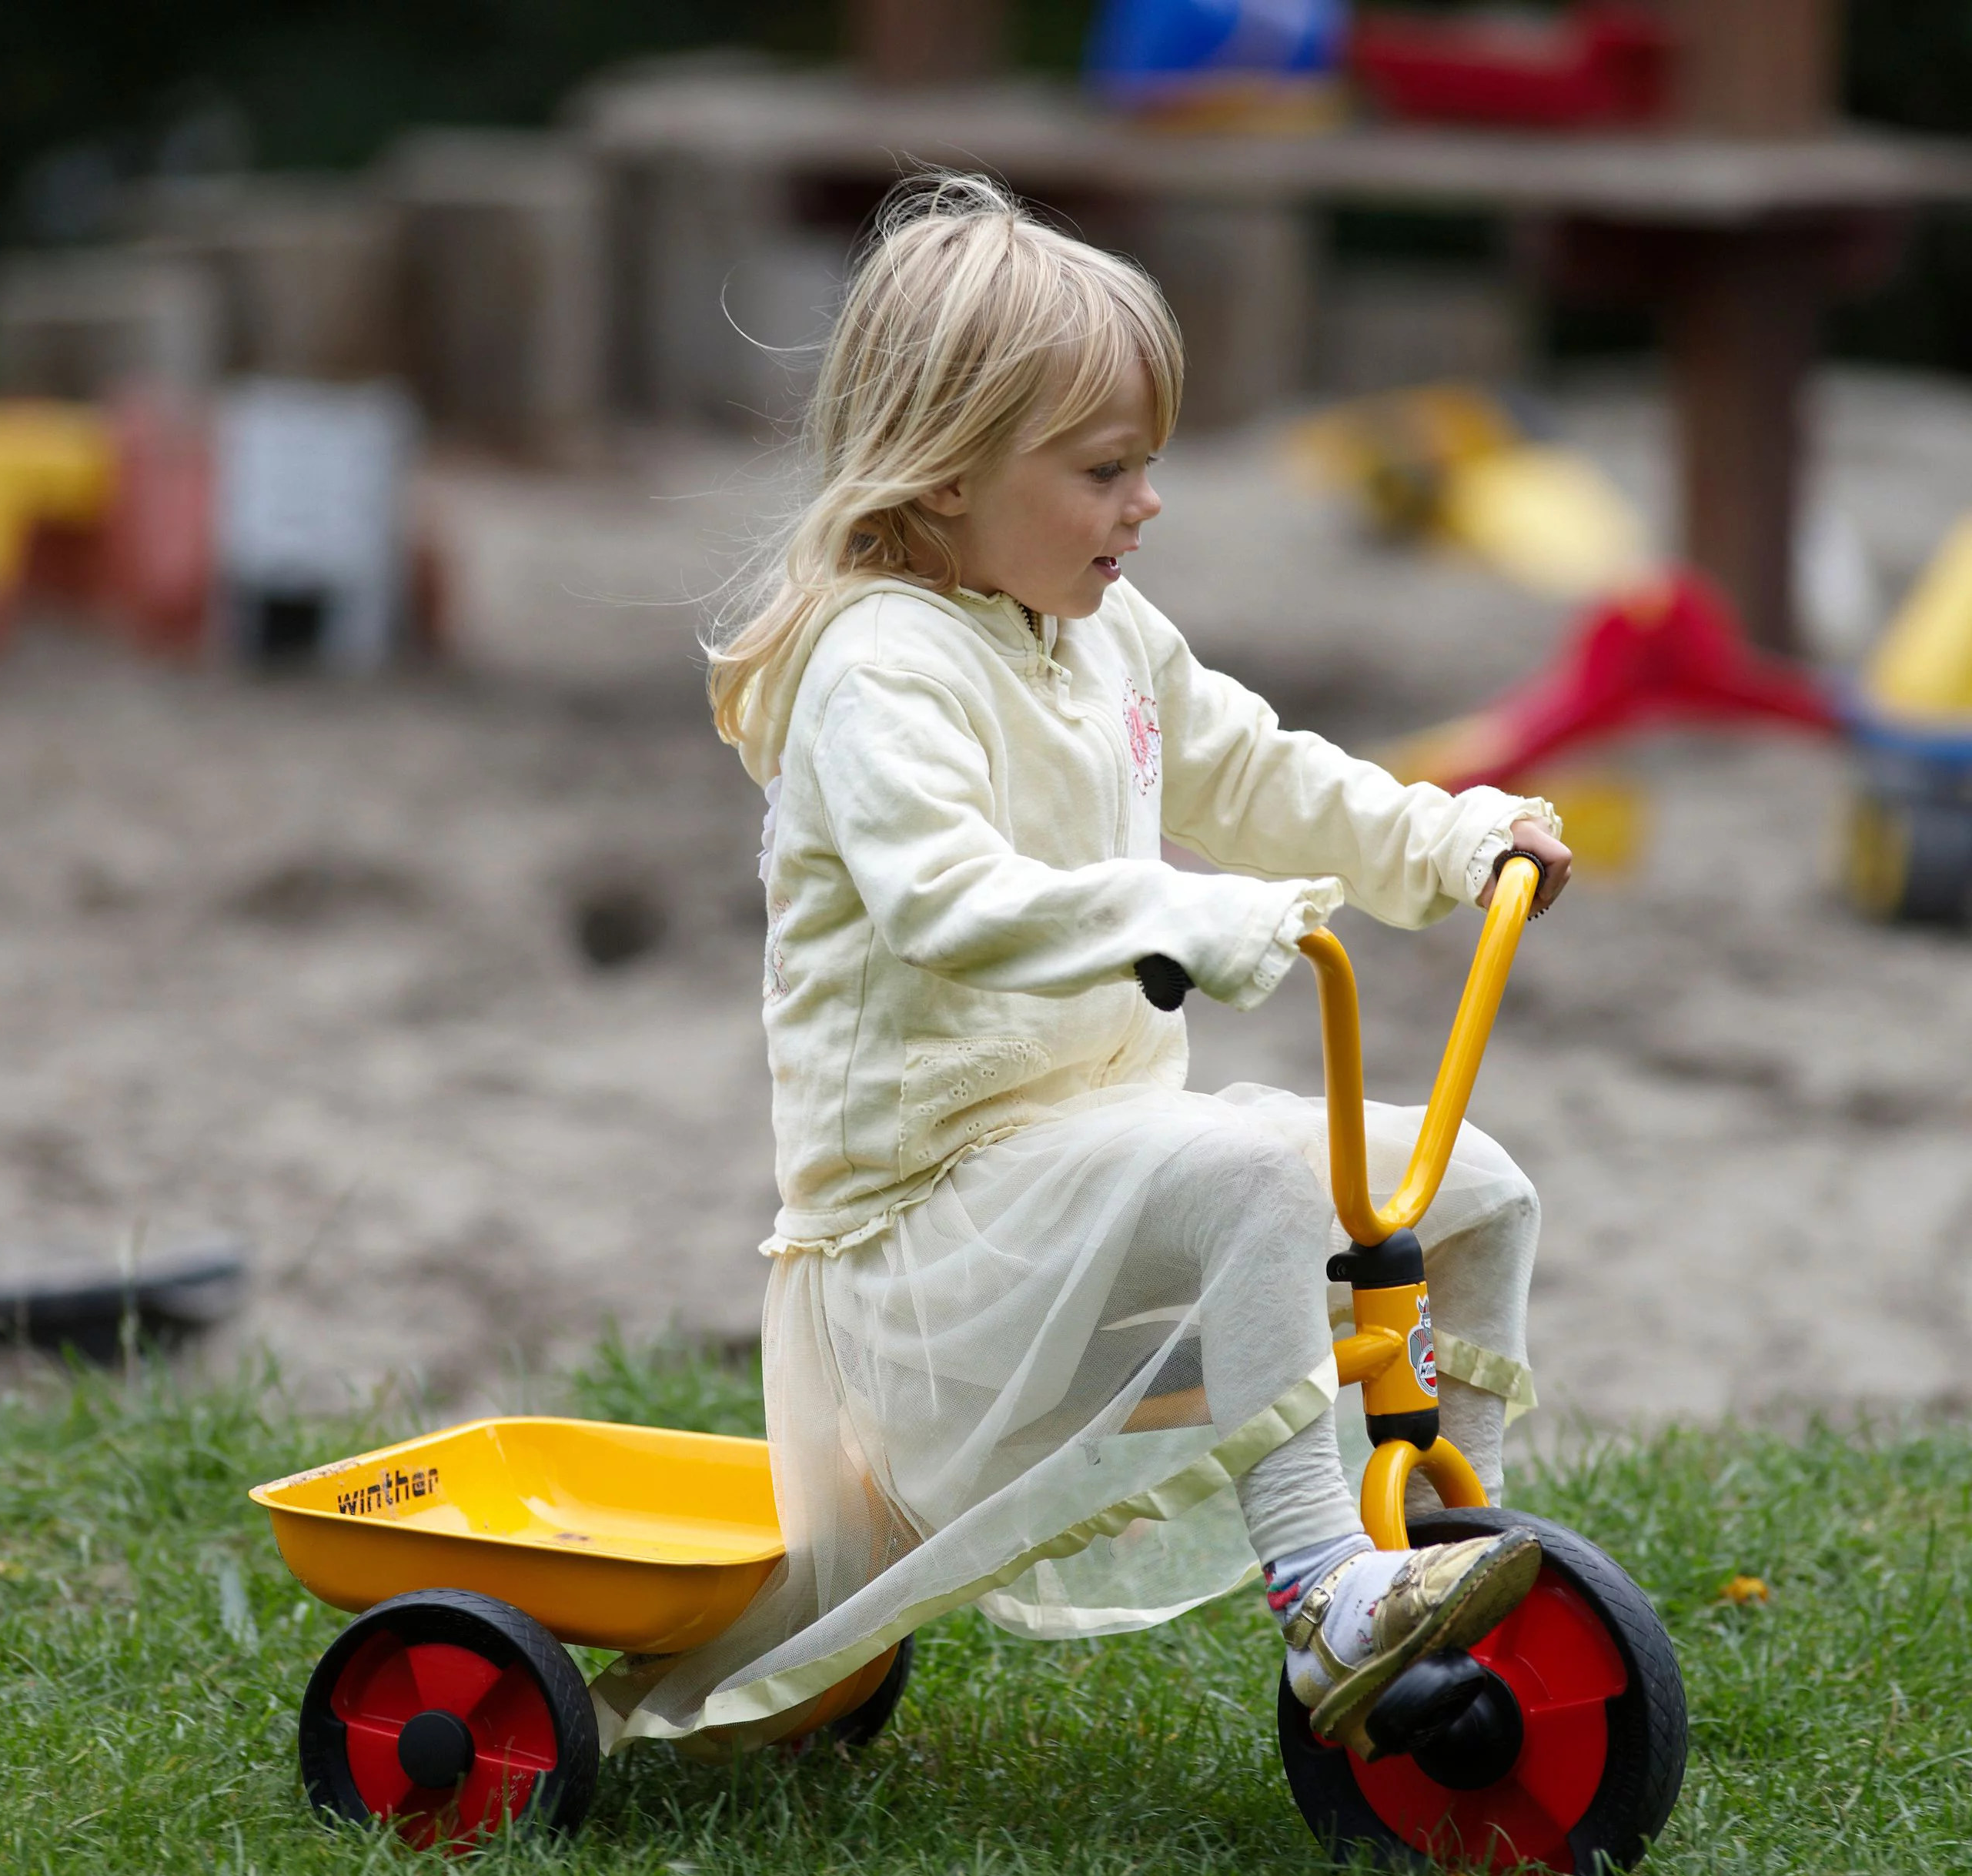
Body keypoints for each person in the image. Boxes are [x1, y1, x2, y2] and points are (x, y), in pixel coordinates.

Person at [593, 175, 1572, 1763]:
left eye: (1150, 467)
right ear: (949, 471)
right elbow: (946, 898)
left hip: (1080, 1181)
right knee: (1261, 1172)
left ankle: (1455, 1552)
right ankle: (1328, 1592)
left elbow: (1254, 772)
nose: (1147, 506)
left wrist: (1441, 844)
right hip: (925, 1233)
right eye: (1107, 470)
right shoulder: (880, 666)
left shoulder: (1104, 633)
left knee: (1480, 1188)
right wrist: (1174, 914)